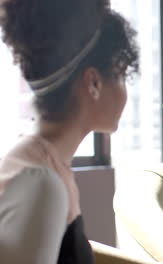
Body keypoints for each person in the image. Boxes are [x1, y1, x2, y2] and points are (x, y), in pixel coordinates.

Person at [0, 0, 139, 263]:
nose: (125, 93)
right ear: (94, 83)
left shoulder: (42, 165)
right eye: (121, 75)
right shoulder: (41, 185)